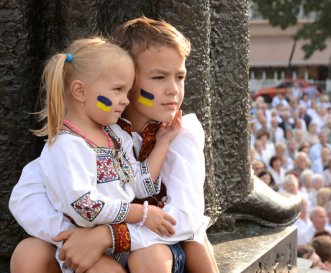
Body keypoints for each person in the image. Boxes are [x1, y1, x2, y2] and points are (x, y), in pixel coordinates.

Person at [10, 16, 218, 273]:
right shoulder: (94, 132)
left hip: (155, 247)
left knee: (149, 259)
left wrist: (107, 236)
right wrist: (73, 235)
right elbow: (28, 193)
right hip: (97, 245)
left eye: (180, 77)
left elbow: (183, 217)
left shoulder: (180, 132)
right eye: (159, 77)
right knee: (28, 253)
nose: (174, 89)